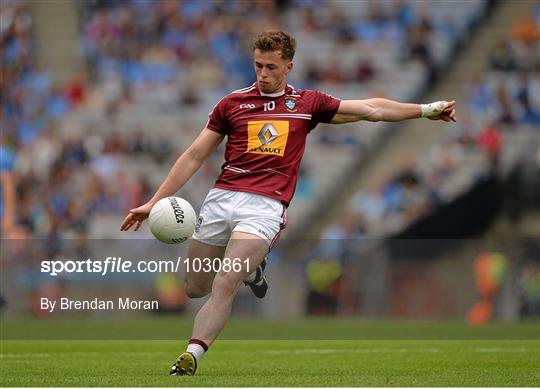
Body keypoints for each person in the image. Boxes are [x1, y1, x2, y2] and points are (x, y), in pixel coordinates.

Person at [120, 30, 456, 376]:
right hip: (221, 199)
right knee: (194, 287)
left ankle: (191, 355)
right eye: (257, 66)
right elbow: (193, 155)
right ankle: (254, 269)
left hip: (264, 208)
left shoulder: (307, 104)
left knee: (224, 282)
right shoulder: (231, 104)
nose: (263, 74)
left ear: (288, 66)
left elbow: (372, 109)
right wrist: (154, 201)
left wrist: (425, 109)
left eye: (270, 67)